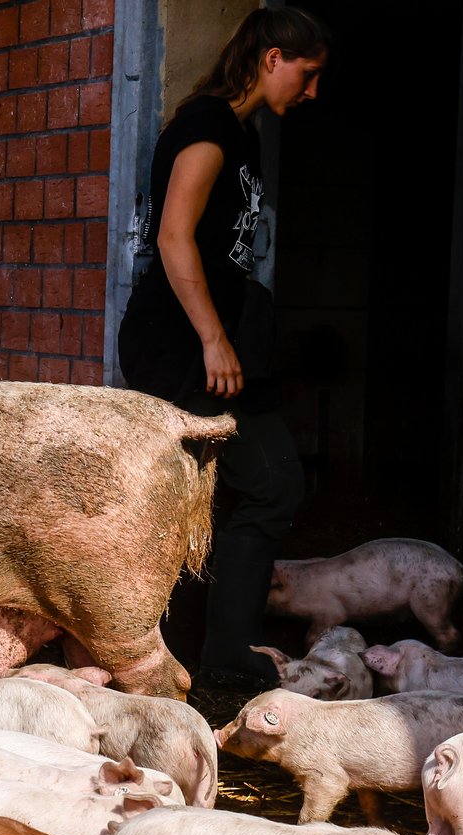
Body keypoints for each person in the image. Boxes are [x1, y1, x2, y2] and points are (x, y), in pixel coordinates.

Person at [116, 8, 330, 689]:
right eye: (309, 74)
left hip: (214, 345)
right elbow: (175, 237)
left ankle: (199, 658)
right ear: (272, 59)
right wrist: (213, 339)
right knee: (270, 483)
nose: (312, 92)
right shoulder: (208, 129)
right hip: (179, 347)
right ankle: (218, 658)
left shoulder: (244, 135)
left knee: (216, 496)